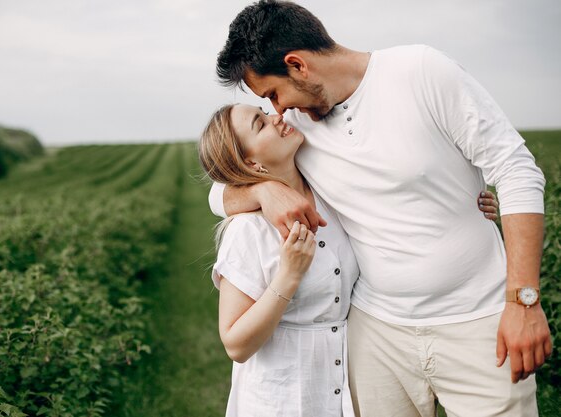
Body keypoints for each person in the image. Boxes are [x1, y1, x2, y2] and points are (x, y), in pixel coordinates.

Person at [208, 1, 552, 416]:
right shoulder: (295, 126)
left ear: (297, 65)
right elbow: (222, 186)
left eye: (273, 94)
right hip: (376, 333)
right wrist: (264, 192)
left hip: (480, 322)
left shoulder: (421, 72)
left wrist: (523, 301)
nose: (276, 110)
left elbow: (517, 170)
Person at [199, 103, 498, 417]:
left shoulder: (330, 195)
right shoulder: (248, 229)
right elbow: (236, 344)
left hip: (346, 384)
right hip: (282, 397)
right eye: (260, 124)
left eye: (265, 110)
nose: (278, 116)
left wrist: (465, 203)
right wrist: (288, 275)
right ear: (252, 163)